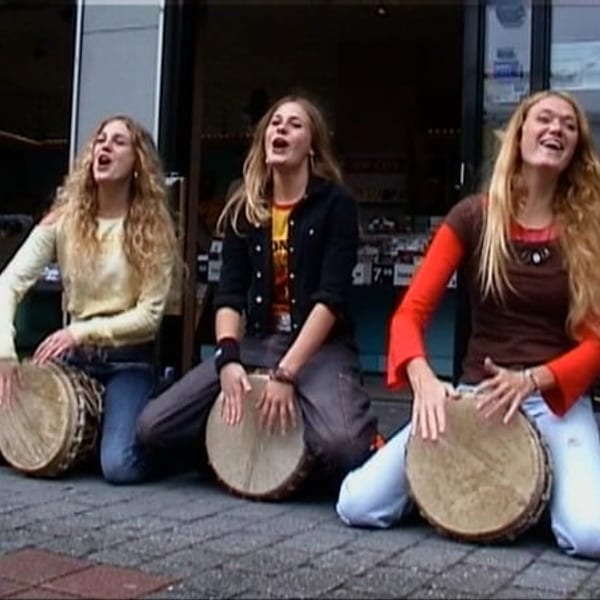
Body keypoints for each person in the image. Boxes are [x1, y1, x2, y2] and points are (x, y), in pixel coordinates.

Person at [336, 90, 600, 559]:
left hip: (553, 401)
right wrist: (424, 381)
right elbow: (410, 314)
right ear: (519, 134)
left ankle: (540, 486)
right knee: (358, 504)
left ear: (576, 147)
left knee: (590, 535)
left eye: (568, 125)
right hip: (478, 396)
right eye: (544, 119)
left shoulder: (590, 230)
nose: (556, 129)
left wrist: (532, 379)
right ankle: (453, 488)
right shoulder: (474, 217)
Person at [137, 94, 379, 490]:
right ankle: (224, 452)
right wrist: (228, 358)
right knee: (153, 426)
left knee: (345, 446)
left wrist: (286, 373)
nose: (281, 128)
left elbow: (331, 299)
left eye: (295, 124)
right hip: (258, 340)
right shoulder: (244, 209)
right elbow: (229, 295)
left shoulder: (336, 204)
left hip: (319, 347)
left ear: (312, 146)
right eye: (275, 123)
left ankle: (323, 434)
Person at [0, 115, 178, 484]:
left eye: (118, 142)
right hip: (72, 357)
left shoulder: (154, 228)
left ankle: (163, 416)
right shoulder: (63, 220)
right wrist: (5, 354)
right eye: (100, 140)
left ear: (138, 163)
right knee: (14, 439)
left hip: (128, 361)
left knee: (119, 466)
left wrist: (80, 332)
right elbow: (9, 283)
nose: (105, 147)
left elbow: (150, 316)